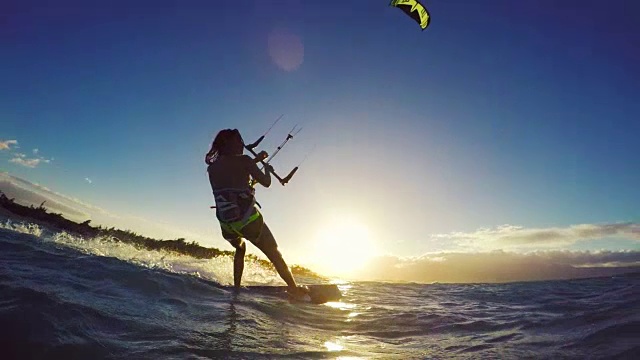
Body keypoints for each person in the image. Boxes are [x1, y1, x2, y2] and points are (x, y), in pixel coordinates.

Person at [205, 128, 308, 297]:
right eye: (239, 141)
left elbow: (234, 176)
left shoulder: (212, 168)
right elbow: (266, 182)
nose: (242, 145)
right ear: (229, 143)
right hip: (248, 221)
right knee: (274, 253)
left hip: (227, 224)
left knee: (240, 248)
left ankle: (236, 288)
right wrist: (266, 168)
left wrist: (255, 161)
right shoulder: (245, 161)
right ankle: (294, 289)